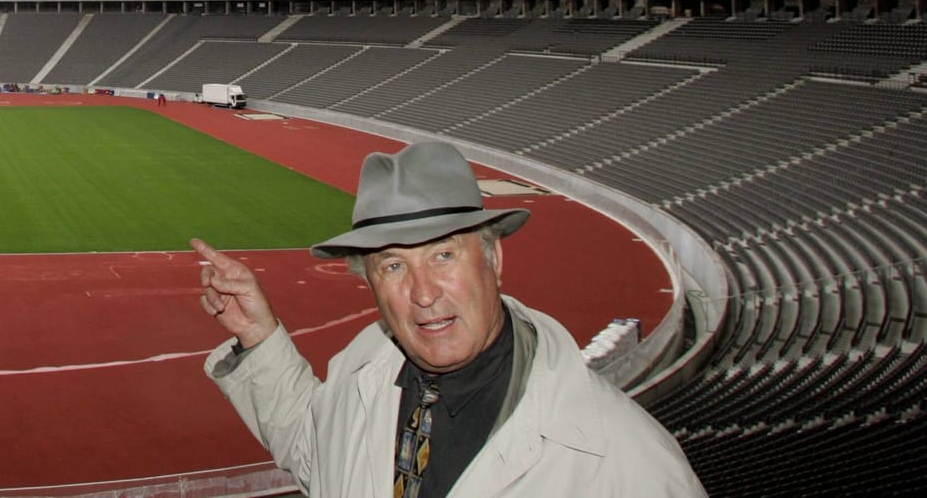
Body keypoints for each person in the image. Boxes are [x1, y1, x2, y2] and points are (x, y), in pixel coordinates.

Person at [192, 141, 703, 497]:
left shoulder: (627, 461)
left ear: (494, 260)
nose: (422, 294)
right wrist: (260, 338)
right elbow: (319, 457)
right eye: (393, 266)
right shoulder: (364, 366)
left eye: (443, 256)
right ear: (369, 282)